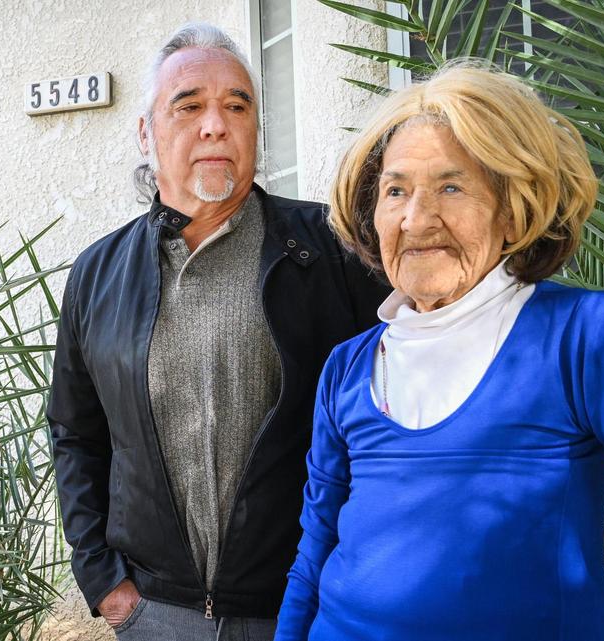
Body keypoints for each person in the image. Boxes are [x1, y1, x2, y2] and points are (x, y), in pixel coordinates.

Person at [274, 63, 604, 641]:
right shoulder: (348, 367)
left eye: (450, 186)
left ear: (512, 214)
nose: (416, 218)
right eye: (396, 191)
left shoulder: (579, 337)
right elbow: (316, 552)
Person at [47, 22, 389, 641]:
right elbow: (76, 433)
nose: (216, 125)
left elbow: (387, 415)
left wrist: (355, 571)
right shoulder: (98, 274)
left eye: (237, 105)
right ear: (146, 132)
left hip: (301, 606)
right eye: (189, 106)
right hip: (154, 614)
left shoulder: (332, 251)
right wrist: (104, 582)